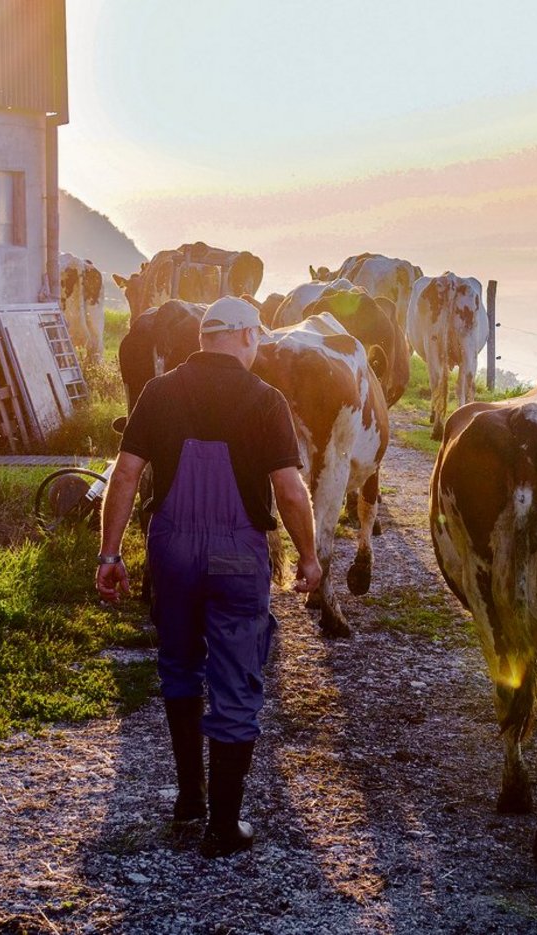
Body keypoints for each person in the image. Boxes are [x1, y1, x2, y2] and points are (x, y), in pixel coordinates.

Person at [95, 295, 321, 858]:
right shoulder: (265, 400)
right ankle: (223, 825)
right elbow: (291, 492)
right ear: (245, 336)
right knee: (235, 679)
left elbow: (124, 476)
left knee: (177, 666)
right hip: (238, 555)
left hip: (170, 548)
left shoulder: (159, 391)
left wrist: (109, 555)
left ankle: (189, 798)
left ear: (202, 338)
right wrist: (310, 556)